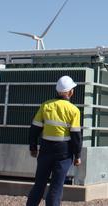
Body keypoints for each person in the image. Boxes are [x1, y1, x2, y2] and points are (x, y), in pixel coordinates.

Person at [26, 75, 82, 206]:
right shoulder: (74, 110)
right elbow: (75, 136)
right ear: (70, 92)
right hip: (64, 152)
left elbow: (34, 128)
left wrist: (33, 147)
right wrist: (77, 155)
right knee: (56, 187)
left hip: (45, 149)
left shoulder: (45, 106)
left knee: (39, 185)